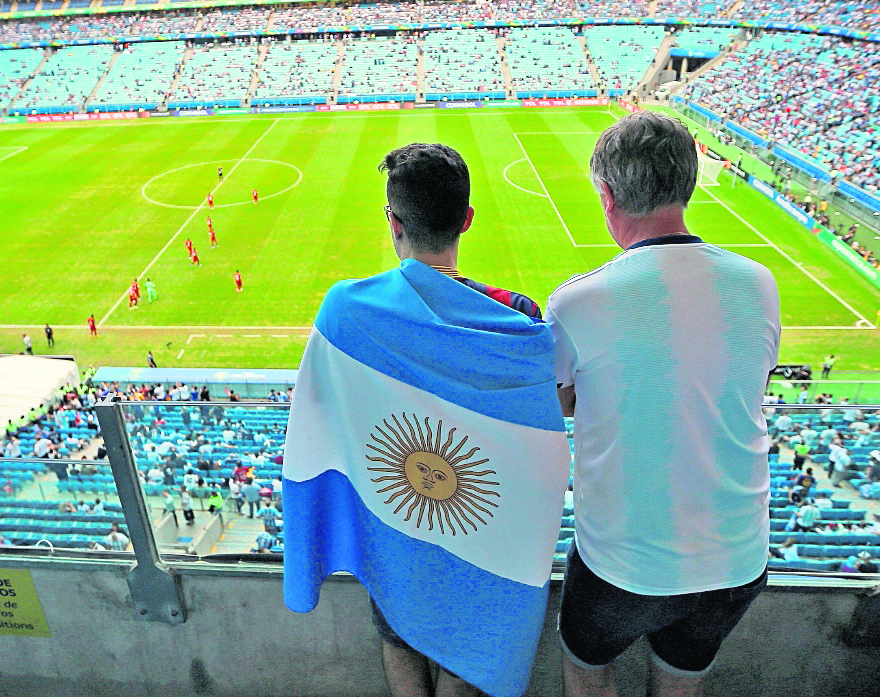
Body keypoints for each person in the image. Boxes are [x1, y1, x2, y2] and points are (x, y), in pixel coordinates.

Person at [284, 142, 567, 697]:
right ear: (466, 220)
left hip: (397, 527)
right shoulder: (519, 317)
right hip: (486, 533)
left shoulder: (345, 309)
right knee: (467, 654)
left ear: (393, 223)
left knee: (398, 637)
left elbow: (322, 414)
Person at [547, 113, 779, 697]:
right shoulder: (760, 282)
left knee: (586, 669)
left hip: (625, 563)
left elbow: (560, 404)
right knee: (680, 681)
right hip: (737, 558)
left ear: (606, 195)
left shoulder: (580, 300)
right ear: (688, 183)